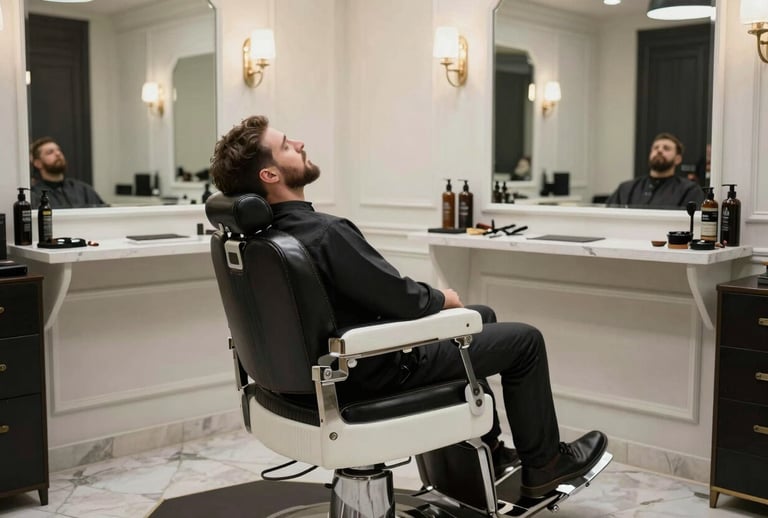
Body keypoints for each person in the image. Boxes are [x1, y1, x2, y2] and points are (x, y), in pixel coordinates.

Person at [209, 115, 608, 499]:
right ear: (270, 175)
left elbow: (377, 295)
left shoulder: (261, 244)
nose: (298, 144)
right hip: (373, 373)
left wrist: (442, 306)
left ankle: (493, 456)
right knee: (524, 341)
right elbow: (400, 300)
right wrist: (442, 299)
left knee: (479, 319)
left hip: (306, 384)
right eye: (286, 145)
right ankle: (546, 466)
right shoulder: (324, 233)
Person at [605, 133, 705, 209]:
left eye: (666, 148)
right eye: (655, 148)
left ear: (678, 159)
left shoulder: (689, 190)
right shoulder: (625, 188)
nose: (659, 150)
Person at [29, 137, 105, 209]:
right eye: (50, 152)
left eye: (59, 150)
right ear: (38, 163)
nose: (58, 154)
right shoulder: (34, 195)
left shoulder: (84, 190)